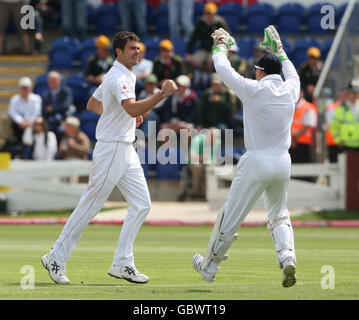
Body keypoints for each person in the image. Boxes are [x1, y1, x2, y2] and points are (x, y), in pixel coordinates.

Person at [41, 31, 177, 284]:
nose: (137, 52)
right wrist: (162, 94)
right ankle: (55, 256)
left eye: (138, 48)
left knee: (141, 204)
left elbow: (93, 104)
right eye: (132, 49)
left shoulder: (119, 74)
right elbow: (131, 107)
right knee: (91, 204)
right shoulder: (119, 77)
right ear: (119, 52)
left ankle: (122, 263)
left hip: (124, 147)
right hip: (113, 147)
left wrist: (124, 114)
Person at [192, 26, 300, 288]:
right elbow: (292, 73)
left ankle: (209, 267)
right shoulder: (290, 91)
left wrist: (220, 44)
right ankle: (287, 258)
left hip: (256, 160)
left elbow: (223, 69)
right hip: (282, 162)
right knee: (278, 215)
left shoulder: (253, 88)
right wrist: (281, 51)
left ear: (261, 71)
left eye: (257, 70)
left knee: (230, 216)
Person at [185, 2, 229, 73]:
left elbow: (227, 37)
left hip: (216, 48)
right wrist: (188, 53)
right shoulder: (200, 22)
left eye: (211, 13)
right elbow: (193, 38)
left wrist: (224, 49)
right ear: (204, 13)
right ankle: (205, 72)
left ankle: (210, 75)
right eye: (207, 13)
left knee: (212, 61)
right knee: (193, 60)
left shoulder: (220, 22)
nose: (209, 16)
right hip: (204, 48)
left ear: (214, 14)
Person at [42, 71, 75, 141]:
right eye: (51, 80)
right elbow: (45, 110)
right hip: (50, 121)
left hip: (64, 119)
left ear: (59, 81)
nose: (52, 82)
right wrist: (55, 110)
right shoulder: (45, 95)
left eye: (54, 80)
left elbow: (66, 106)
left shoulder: (66, 91)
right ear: (48, 82)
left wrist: (52, 109)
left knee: (61, 130)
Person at [8, 77, 42, 144]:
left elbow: (37, 112)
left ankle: (35, 143)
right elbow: (12, 112)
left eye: (26, 88)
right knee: (6, 119)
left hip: (32, 123)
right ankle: (10, 141)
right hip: (18, 124)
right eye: (23, 88)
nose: (25, 90)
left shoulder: (36, 98)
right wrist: (21, 121)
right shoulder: (14, 99)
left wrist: (28, 122)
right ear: (20, 89)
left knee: (39, 120)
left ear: (30, 89)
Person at [289, 89, 318, 165]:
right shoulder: (289, 106)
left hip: (303, 144)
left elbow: (307, 126)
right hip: (290, 143)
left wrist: (294, 138)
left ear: (302, 93)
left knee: (304, 170)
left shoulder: (308, 107)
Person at [330, 81, 359, 152]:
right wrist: (338, 140)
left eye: (357, 93)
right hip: (346, 145)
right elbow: (334, 126)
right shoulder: (341, 109)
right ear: (348, 94)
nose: (355, 95)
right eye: (353, 93)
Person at [325, 89, 347, 163]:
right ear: (339, 96)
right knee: (334, 166)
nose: (345, 98)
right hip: (334, 142)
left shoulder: (349, 108)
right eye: (343, 96)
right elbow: (331, 125)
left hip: (347, 143)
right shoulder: (332, 108)